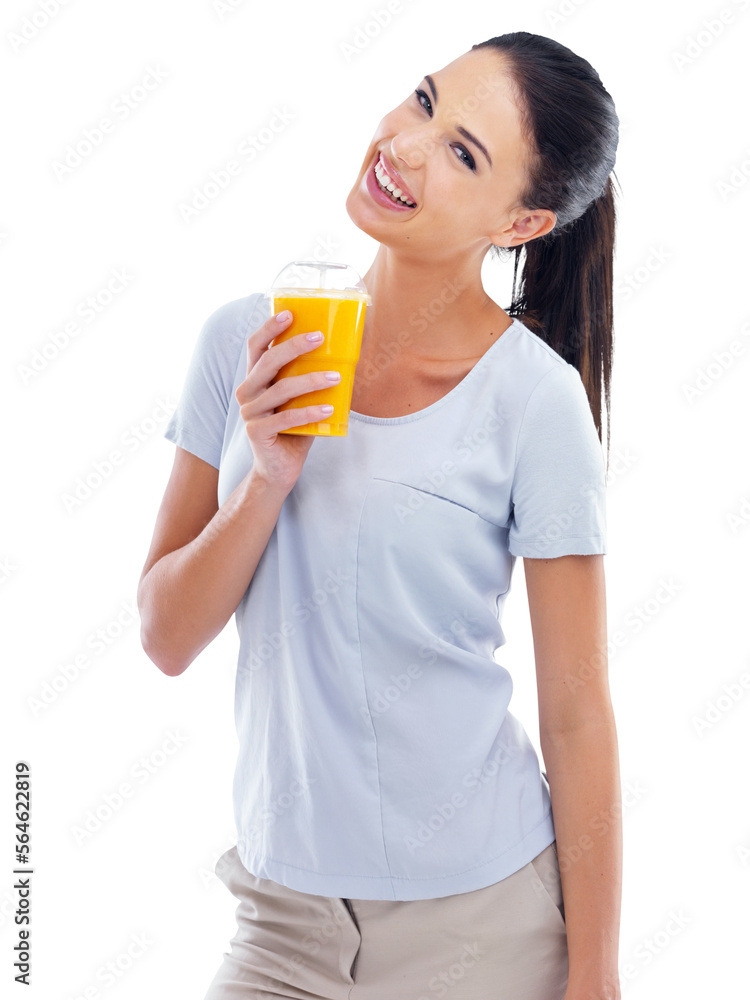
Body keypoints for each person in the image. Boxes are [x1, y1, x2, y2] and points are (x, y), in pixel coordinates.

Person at [138, 30, 622, 1000]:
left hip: (481, 927)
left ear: (523, 223)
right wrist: (265, 479)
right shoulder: (246, 342)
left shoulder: (533, 400)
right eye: (422, 100)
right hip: (283, 922)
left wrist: (596, 975)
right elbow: (165, 635)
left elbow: (575, 712)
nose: (405, 143)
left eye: (462, 153)